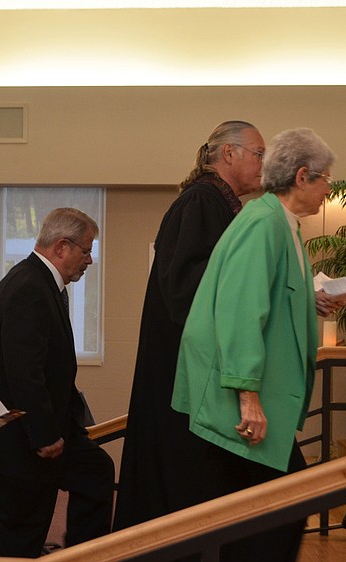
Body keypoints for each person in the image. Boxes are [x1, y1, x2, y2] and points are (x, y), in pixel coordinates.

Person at [171, 128, 336, 561]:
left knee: (262, 515)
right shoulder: (263, 222)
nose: (328, 191)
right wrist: (249, 397)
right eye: (325, 180)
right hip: (241, 400)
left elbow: (273, 299)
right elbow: (241, 310)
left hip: (255, 397)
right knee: (280, 508)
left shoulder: (282, 224)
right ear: (302, 177)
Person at [113, 120, 266, 530]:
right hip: (183, 374)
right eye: (258, 154)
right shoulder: (201, 203)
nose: (263, 165)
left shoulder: (220, 205)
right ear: (228, 154)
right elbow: (188, 290)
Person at [0, 208, 114, 558]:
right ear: (62, 246)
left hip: (40, 431)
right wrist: (45, 434)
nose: (90, 260)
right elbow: (24, 372)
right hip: (23, 441)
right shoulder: (29, 286)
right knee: (22, 539)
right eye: (86, 251)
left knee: (96, 472)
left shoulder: (40, 282)